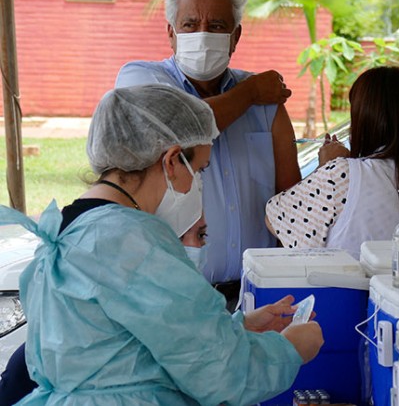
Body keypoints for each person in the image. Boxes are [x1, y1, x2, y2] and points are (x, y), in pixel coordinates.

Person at [0, 85, 323, 405]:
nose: (198, 183)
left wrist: (237, 327)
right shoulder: (131, 239)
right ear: (171, 161)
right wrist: (290, 349)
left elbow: (125, 342)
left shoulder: (69, 226)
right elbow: (219, 374)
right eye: (200, 170)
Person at [115, 0, 301, 301]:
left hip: (257, 298)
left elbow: (291, 204)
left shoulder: (267, 106)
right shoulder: (140, 79)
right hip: (175, 301)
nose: (202, 34)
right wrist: (252, 92)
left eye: (216, 25)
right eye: (189, 24)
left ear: (235, 37)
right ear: (171, 33)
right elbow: (183, 127)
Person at [0, 215, 211, 405]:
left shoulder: (200, 337)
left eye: (201, 235)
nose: (194, 247)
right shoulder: (33, 366)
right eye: (177, 237)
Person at [265, 66, 399, 259]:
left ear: (362, 120)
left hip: (347, 289)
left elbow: (275, 220)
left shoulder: (340, 175)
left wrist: (325, 169)